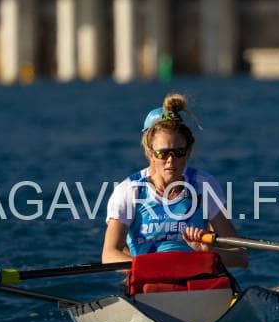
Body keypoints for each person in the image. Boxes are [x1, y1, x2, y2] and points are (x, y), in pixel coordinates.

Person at [102, 94, 248, 268]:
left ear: (189, 151)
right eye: (162, 153)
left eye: (178, 153)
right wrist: (150, 269)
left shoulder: (204, 185)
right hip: (149, 280)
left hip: (196, 277)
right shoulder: (129, 189)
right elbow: (109, 254)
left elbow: (239, 257)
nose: (170, 160)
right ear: (149, 152)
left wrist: (206, 253)